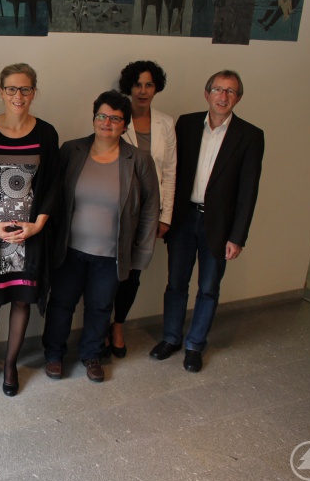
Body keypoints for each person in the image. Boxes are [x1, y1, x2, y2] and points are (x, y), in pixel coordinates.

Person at [150, 70, 264, 372]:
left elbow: (248, 191)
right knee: (176, 283)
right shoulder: (186, 124)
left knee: (209, 287)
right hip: (183, 218)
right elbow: (171, 172)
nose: (223, 96)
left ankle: (195, 345)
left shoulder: (250, 136)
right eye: (218, 89)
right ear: (207, 93)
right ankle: (171, 338)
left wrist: (238, 236)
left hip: (220, 225)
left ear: (238, 98)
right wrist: (164, 215)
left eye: (230, 91)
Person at [42, 91, 159, 382]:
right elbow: (52, 195)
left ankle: (92, 355)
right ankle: (54, 355)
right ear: (94, 118)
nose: (107, 123)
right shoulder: (71, 150)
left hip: (111, 253)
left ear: (125, 125)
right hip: (69, 249)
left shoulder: (139, 160)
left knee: (100, 306)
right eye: (102, 116)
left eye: (115, 119)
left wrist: (142, 254)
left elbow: (150, 208)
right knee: (61, 303)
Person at [0, 63, 60, 397]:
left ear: (34, 92)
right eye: (12, 89)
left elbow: (53, 184)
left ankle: (11, 364)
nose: (19, 95)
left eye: (25, 89)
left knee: (21, 301)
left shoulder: (46, 133)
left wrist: (38, 225)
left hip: (30, 235)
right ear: (1, 92)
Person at [108, 60, 176, 357]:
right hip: (118, 208)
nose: (143, 91)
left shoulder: (166, 123)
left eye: (149, 84)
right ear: (129, 87)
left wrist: (165, 216)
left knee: (133, 274)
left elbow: (170, 172)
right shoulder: (116, 119)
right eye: (137, 84)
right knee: (108, 271)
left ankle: (118, 325)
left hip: (149, 211)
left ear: (156, 88)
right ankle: (98, 325)